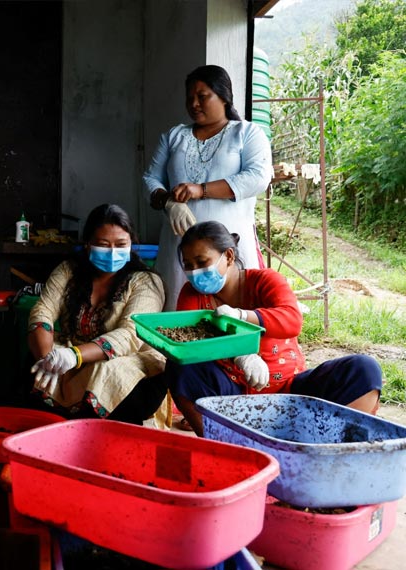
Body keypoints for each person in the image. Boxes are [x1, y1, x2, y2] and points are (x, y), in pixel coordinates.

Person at [166, 221, 382, 437]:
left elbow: (291, 319)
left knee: (363, 369)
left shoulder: (265, 280)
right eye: (188, 265)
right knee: (180, 367)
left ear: (229, 256)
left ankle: (336, 444)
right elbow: (192, 343)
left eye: (202, 262)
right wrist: (242, 355)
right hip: (231, 397)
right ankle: (223, 444)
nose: (195, 272)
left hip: (288, 391)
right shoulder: (192, 294)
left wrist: (242, 316)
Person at [143, 64, 273, 311]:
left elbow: (258, 177)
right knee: (177, 310)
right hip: (179, 246)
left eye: (202, 96)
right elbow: (150, 180)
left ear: (223, 96)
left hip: (228, 245)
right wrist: (168, 202)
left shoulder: (246, 133)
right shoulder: (174, 136)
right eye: (189, 98)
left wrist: (200, 190)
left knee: (234, 313)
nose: (194, 104)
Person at [27, 204, 168, 423]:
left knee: (107, 370)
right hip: (72, 355)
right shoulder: (68, 271)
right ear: (87, 246)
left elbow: (131, 333)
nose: (112, 252)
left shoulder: (146, 282)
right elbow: (42, 311)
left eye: (121, 245)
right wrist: (49, 361)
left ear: (131, 245)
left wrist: (74, 356)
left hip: (128, 363)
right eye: (103, 245)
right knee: (33, 363)